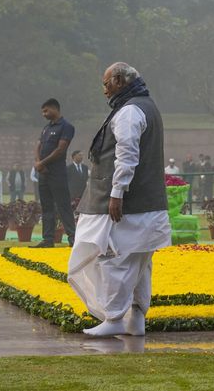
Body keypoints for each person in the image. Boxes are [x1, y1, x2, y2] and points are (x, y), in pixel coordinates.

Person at [68, 62, 171, 337]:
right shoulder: (146, 106)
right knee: (139, 262)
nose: (104, 91)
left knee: (115, 261)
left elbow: (126, 156)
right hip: (147, 207)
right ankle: (136, 318)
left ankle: (113, 318)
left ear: (120, 80)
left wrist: (117, 194)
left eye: (106, 84)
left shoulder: (129, 112)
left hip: (128, 206)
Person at [33, 98, 77, 248]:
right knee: (46, 207)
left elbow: (60, 150)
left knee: (63, 206)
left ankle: (73, 239)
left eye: (46, 111)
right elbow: (38, 146)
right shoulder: (46, 128)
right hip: (43, 174)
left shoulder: (66, 127)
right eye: (42, 112)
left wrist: (42, 163)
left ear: (55, 109)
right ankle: (48, 240)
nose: (44, 114)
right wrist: (38, 163)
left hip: (57, 173)